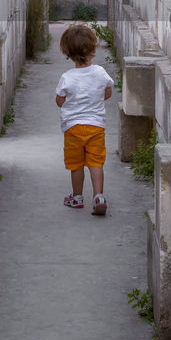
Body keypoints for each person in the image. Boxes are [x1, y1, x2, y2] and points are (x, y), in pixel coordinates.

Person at [55, 22, 113, 216]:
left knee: (76, 164)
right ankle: (99, 196)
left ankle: (77, 197)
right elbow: (107, 92)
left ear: (67, 53)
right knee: (96, 162)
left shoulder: (67, 77)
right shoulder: (100, 73)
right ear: (93, 49)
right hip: (96, 126)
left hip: (73, 128)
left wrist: (72, 103)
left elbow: (59, 101)